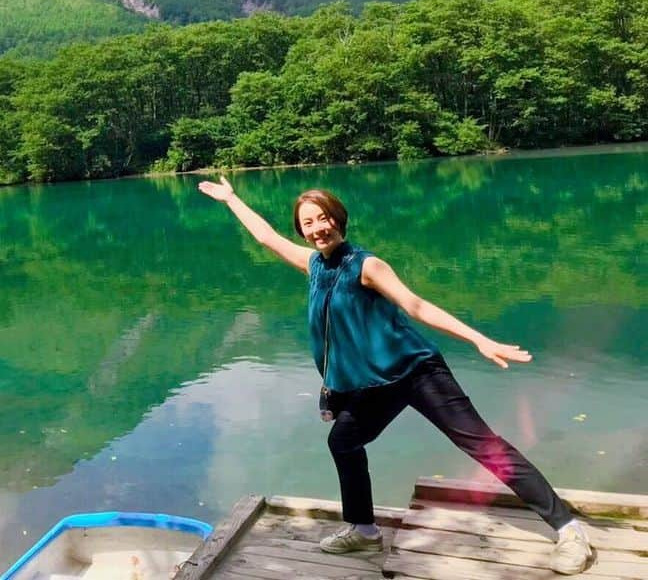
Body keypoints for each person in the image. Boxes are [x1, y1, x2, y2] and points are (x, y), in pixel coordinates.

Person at [197, 177, 593, 575]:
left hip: (417, 372)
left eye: (324, 218)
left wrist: (479, 340)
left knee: (483, 445)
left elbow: (416, 305)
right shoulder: (313, 264)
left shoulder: (366, 266)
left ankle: (569, 529)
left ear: (339, 220)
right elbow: (266, 237)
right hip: (373, 387)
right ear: (301, 229)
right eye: (308, 223)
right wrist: (232, 199)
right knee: (344, 441)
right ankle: (365, 530)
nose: (318, 228)